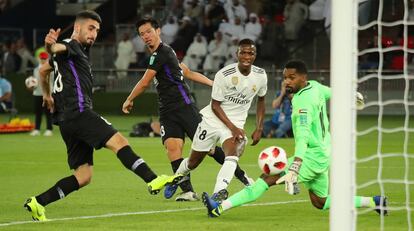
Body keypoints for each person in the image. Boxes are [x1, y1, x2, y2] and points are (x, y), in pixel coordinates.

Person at [23, 10, 182, 222]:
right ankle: (152, 179)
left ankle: (38, 202)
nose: (94, 34)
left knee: (84, 176)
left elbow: (43, 70)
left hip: (66, 121)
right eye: (90, 28)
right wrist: (50, 45)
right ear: (77, 28)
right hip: (79, 113)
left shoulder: (69, 55)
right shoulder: (72, 46)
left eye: (97, 30)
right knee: (119, 141)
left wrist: (46, 95)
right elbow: (56, 48)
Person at [202, 60, 388, 217]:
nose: (287, 82)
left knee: (266, 178)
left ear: (303, 78)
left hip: (311, 156)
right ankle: (374, 201)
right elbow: (332, 92)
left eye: (292, 78)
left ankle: (218, 208)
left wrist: (296, 165)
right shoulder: (315, 86)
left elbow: (303, 136)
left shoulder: (301, 102)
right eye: (285, 78)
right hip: (323, 153)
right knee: (320, 201)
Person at [122, 17, 253, 202]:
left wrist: (129, 99)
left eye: (149, 32)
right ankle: (188, 191)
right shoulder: (167, 53)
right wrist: (213, 83)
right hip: (167, 111)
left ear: (158, 31)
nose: (146, 36)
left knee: (209, 150)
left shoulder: (162, 52)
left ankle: (243, 176)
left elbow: (144, 83)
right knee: (173, 148)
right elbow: (188, 72)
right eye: (142, 34)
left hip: (184, 107)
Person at [169, 38, 267, 203]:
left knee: (233, 154)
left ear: (255, 55)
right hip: (212, 121)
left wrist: (259, 127)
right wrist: (232, 127)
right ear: (237, 54)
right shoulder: (224, 75)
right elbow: (215, 106)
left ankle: (218, 193)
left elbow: (262, 101)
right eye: (243, 52)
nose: (247, 56)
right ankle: (177, 177)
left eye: (250, 53)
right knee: (193, 162)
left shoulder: (260, 75)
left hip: (235, 126)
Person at [29, 51, 53, 136]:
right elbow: (34, 82)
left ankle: (49, 129)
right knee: (38, 112)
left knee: (48, 112)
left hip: (47, 94)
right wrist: (31, 86)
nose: (43, 60)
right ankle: (37, 129)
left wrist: (50, 93)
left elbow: (52, 82)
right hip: (37, 93)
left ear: (47, 59)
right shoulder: (35, 70)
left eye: (44, 58)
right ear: (39, 59)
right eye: (42, 58)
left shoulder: (51, 69)